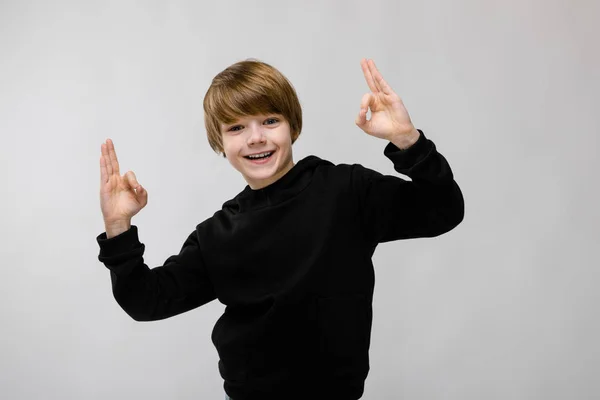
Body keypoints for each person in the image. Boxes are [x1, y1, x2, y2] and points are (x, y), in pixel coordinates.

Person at [96, 58, 465, 400]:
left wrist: (407, 141)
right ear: (220, 143)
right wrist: (118, 226)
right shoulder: (217, 236)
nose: (255, 138)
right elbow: (146, 301)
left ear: (293, 125)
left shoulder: (345, 191)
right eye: (237, 127)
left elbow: (442, 211)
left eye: (269, 121)